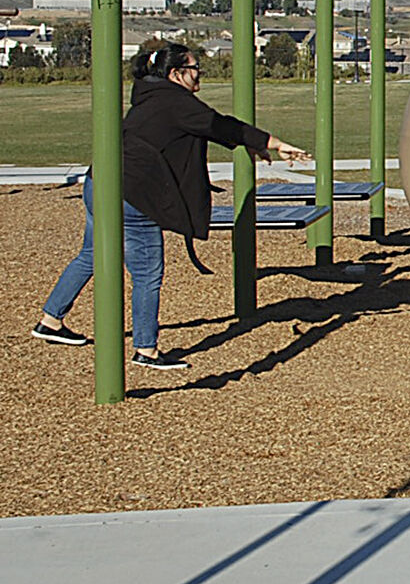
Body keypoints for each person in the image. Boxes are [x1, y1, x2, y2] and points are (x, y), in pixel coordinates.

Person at [32, 43, 310, 369]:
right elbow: (220, 125)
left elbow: (205, 129)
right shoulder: (176, 102)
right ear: (177, 73)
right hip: (135, 195)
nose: (199, 75)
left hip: (100, 184)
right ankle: (146, 350)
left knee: (92, 255)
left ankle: (50, 321)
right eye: (195, 69)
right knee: (148, 272)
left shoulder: (151, 97)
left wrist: (252, 145)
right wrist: (274, 143)